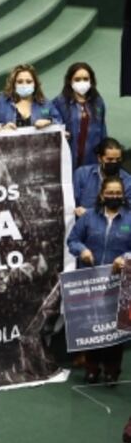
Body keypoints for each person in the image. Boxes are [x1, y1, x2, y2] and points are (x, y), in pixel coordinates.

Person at [69, 176, 131, 384]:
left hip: (120, 282)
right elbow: (73, 240)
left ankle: (112, 370)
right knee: (92, 325)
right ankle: (92, 368)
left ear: (123, 195)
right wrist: (82, 250)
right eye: (110, 193)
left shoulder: (130, 219)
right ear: (102, 195)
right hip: (92, 280)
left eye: (118, 193)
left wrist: (125, 258)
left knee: (116, 329)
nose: (114, 196)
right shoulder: (89, 217)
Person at [53, 62, 107, 169]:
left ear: (91, 81)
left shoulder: (98, 102)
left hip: (92, 159)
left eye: (85, 79)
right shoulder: (60, 102)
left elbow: (102, 130)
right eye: (77, 79)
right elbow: (54, 123)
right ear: (70, 81)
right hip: (69, 159)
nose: (82, 82)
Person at [0, 64, 62, 129]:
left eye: (29, 82)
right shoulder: (0, 103)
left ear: (35, 84)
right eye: (19, 82)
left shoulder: (44, 104)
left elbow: (59, 122)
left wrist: (49, 122)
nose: (24, 85)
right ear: (13, 84)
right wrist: (2, 127)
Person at [74, 138, 131, 216]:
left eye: (118, 159)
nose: (114, 162)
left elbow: (127, 211)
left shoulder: (128, 182)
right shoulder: (82, 174)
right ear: (99, 158)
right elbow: (71, 203)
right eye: (109, 159)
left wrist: (89, 213)